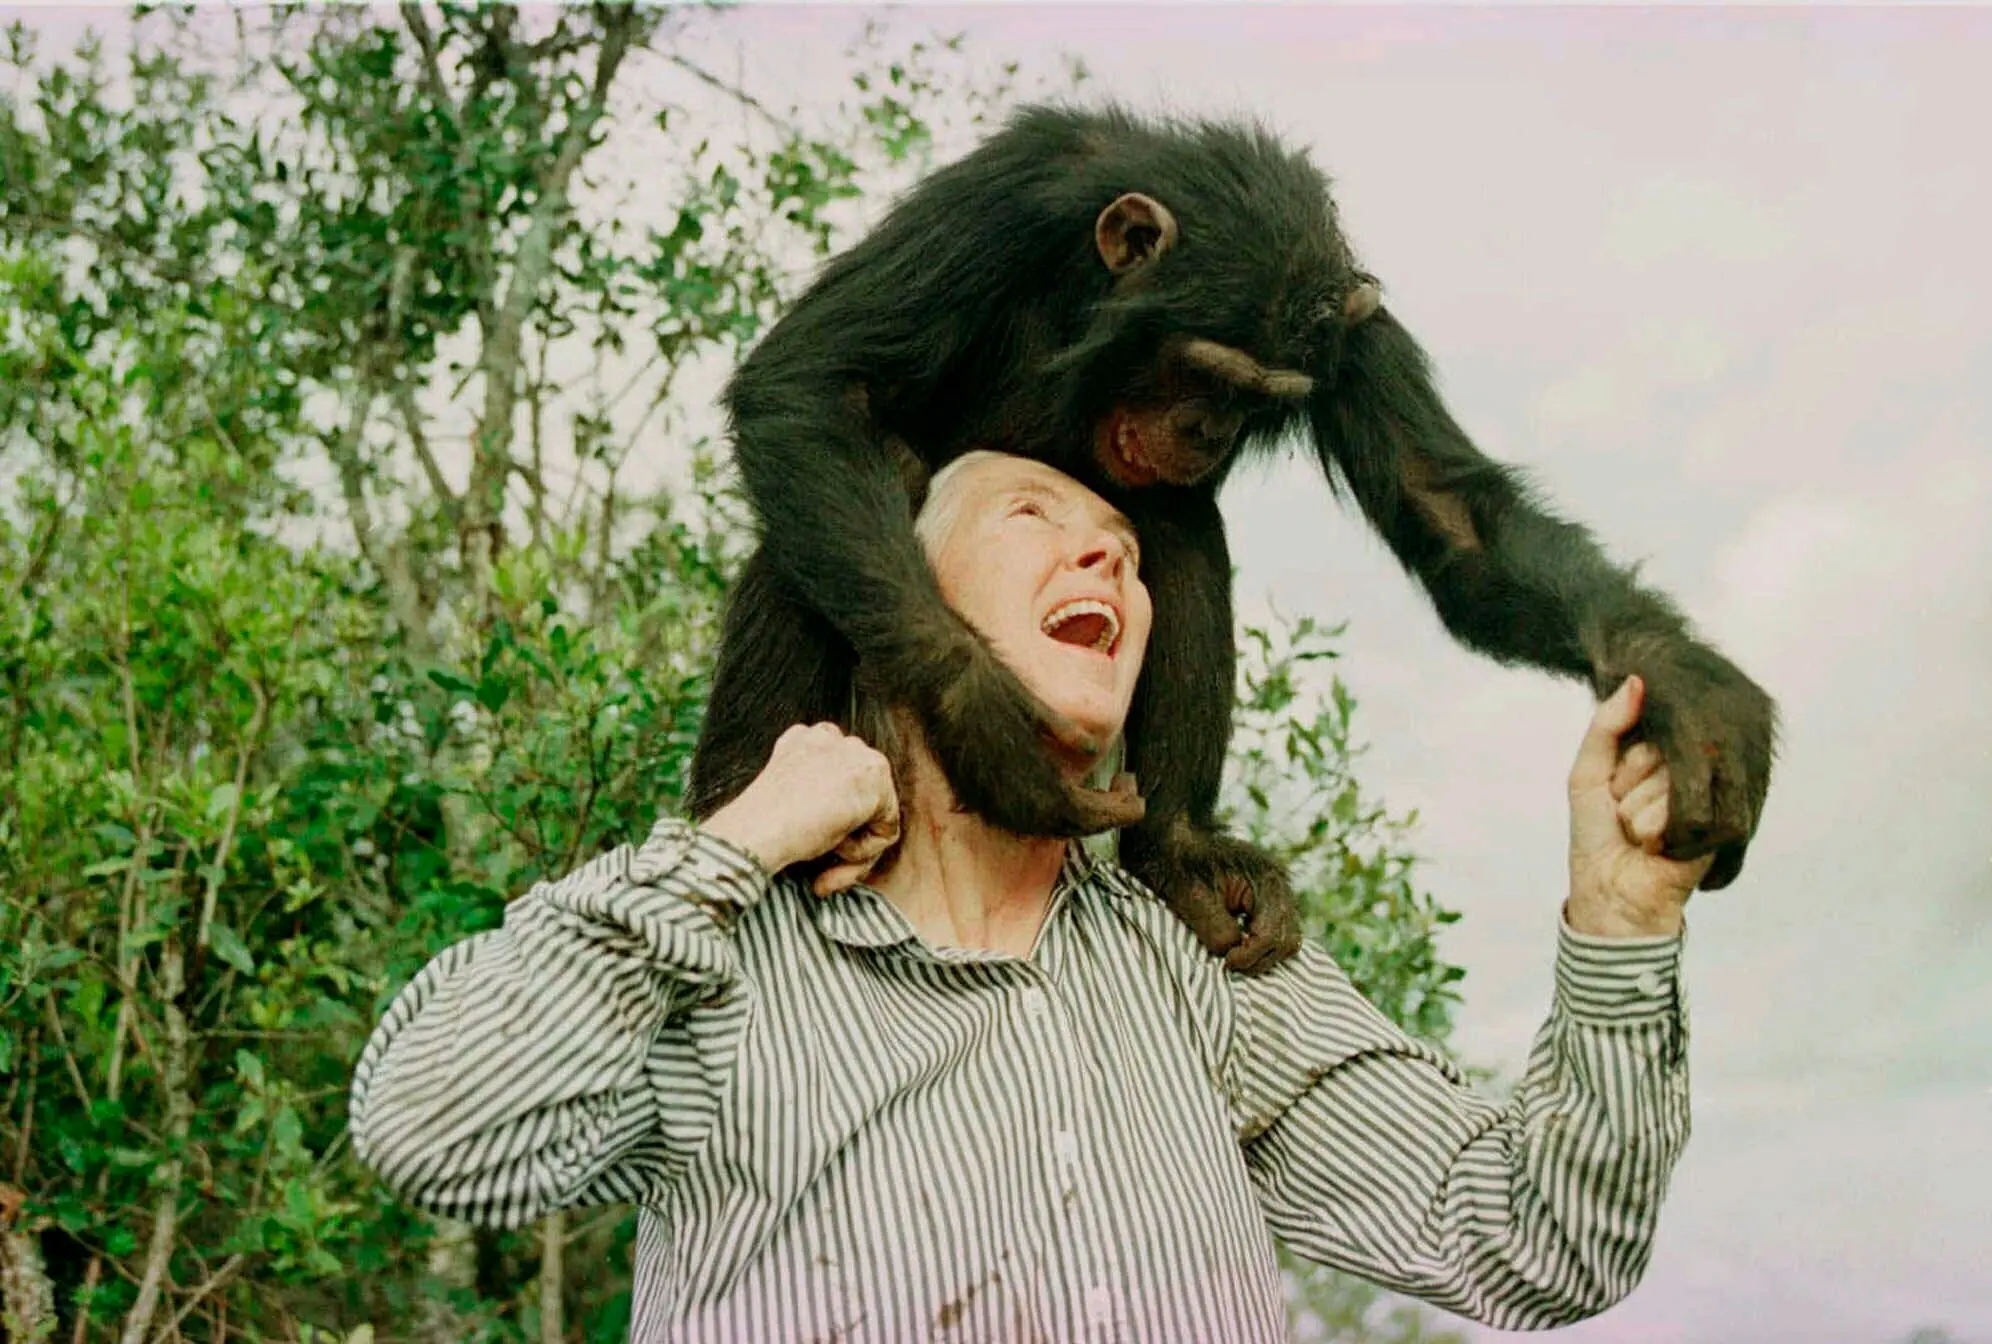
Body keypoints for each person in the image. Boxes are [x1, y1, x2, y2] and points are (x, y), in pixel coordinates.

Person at [350, 450, 1708, 1343]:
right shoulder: (731, 961)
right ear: (893, 602)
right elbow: (430, 1124)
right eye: (1034, 518)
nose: (1106, 559)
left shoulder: (1199, 968)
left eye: (1123, 545)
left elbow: (1538, 1240)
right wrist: (740, 837)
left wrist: (1623, 916)